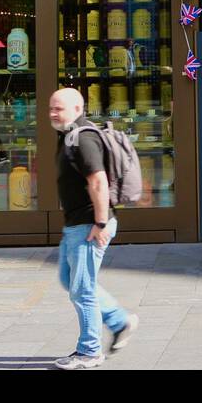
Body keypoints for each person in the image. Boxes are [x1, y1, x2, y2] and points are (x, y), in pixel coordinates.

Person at [48, 87, 138, 369]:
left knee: (82, 289)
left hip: (89, 225)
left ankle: (89, 351)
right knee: (68, 280)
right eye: (51, 107)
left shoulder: (82, 139)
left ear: (77, 109)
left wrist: (100, 223)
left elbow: (98, 182)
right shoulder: (69, 135)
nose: (52, 113)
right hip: (76, 224)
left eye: (58, 108)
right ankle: (119, 320)